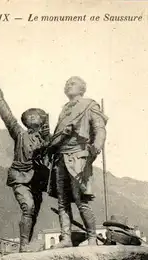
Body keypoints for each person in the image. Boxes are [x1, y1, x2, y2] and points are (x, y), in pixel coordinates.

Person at [0, 73, 50, 252]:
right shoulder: (20, 134)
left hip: (38, 181)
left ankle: (26, 246)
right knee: (28, 207)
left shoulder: (48, 138)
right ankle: (23, 245)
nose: (32, 118)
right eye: (29, 116)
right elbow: (6, 116)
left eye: (36, 115)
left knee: (34, 213)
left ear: (42, 119)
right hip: (20, 177)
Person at [47, 76, 107, 247]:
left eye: (72, 83)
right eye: (66, 83)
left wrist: (95, 148)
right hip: (60, 157)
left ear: (82, 88)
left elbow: (99, 129)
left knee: (80, 199)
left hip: (79, 156)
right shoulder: (64, 109)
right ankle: (65, 238)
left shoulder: (89, 105)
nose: (68, 85)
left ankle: (92, 238)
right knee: (62, 201)